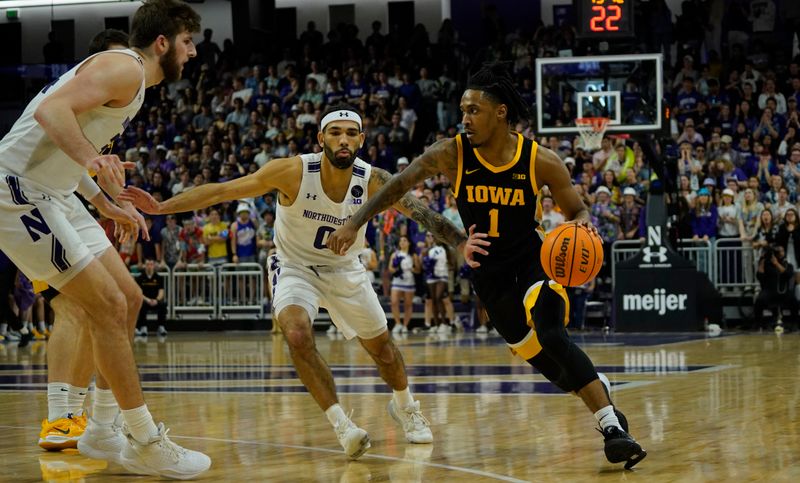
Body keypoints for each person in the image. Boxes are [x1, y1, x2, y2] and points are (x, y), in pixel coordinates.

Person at [327, 62, 647, 469]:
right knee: (556, 371)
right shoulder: (451, 153)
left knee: (552, 333)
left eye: (473, 110)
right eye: (462, 110)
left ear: (500, 112)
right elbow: (397, 186)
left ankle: (612, 430)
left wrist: (584, 229)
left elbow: (577, 209)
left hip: (533, 259)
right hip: (488, 273)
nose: (464, 118)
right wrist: (355, 222)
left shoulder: (541, 160)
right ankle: (600, 397)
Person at [119, 103, 467, 459]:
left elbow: (423, 213)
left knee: (383, 351)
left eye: (350, 133)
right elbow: (223, 191)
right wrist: (161, 207)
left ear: (362, 139)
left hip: (346, 269)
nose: (343, 140)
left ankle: (405, 405)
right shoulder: (292, 172)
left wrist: (461, 242)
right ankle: (342, 426)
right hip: (294, 265)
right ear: (321, 138)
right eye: (335, 132)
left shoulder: (372, 179)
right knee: (298, 333)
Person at [0, 1, 210, 478]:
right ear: (163, 42)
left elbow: (62, 149)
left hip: (55, 191)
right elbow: (51, 113)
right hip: (16, 189)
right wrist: (95, 161)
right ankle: (143, 437)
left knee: (130, 298)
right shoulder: (125, 67)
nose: (193, 52)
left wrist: (107, 203)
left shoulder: (131, 79)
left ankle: (102, 427)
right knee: (106, 305)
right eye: (187, 41)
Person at [135, 258, 167, 337]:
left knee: (163, 304)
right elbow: (139, 293)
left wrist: (156, 300)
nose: (149, 266)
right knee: (141, 304)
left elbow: (161, 292)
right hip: (145, 300)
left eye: (151, 264)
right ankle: (143, 327)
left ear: (154, 266)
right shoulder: (139, 278)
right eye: (147, 264)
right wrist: (147, 300)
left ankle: (161, 327)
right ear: (144, 266)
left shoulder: (159, 278)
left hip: (155, 300)